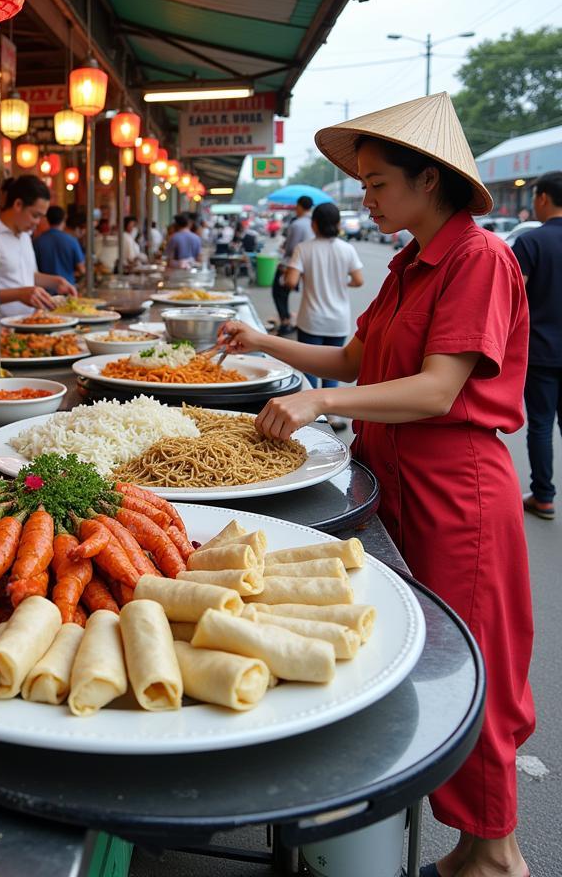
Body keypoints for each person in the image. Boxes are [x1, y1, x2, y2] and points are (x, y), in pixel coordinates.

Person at [214, 93, 534, 877]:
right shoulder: (405, 264)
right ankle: (469, 850)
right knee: (419, 654)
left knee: (473, 668)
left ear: (431, 181)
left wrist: (318, 403)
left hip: (458, 490)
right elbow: (354, 363)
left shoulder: (477, 259)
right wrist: (264, 339)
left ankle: (494, 854)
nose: (366, 196)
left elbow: (435, 391)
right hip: (398, 480)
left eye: (379, 181)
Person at [0, 175, 76, 333]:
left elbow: (27, 276)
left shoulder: (25, 236)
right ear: (18, 204)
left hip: (30, 328)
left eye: (41, 217)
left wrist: (56, 281)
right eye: (35, 215)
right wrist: (19, 294)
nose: (38, 222)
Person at [511, 170, 562, 520]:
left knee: (541, 425)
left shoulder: (531, 242)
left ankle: (543, 496)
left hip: (543, 351)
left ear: (543, 198)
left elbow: (512, 297)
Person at [284, 202, 364, 400]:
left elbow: (290, 281)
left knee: (309, 369)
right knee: (334, 369)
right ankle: (332, 414)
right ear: (338, 225)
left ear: (314, 225)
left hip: (311, 320)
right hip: (338, 321)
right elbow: (358, 280)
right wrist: (341, 282)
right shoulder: (347, 249)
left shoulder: (303, 249)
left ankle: (311, 416)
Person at [272, 195, 313, 335]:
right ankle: (289, 320)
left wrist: (284, 247)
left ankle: (285, 322)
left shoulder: (298, 224)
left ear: (300, 206)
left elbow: (291, 248)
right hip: (307, 264)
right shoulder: (313, 223)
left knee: (279, 292)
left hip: (292, 264)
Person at [33, 204, 85, 284]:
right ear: (64, 219)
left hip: (45, 291)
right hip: (67, 288)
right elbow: (82, 269)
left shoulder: (38, 241)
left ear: (47, 219)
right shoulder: (72, 241)